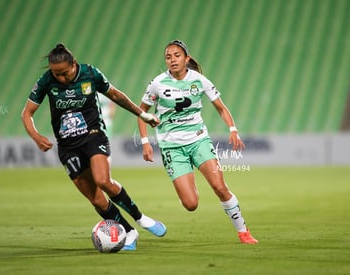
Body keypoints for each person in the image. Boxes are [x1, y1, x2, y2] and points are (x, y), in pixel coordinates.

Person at [21, 43, 166, 251]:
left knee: (102, 180)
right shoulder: (46, 81)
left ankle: (141, 219)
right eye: (56, 74)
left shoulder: (90, 74)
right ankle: (128, 231)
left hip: (92, 135)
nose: (60, 78)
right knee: (96, 199)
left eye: (63, 73)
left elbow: (116, 95)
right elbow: (27, 113)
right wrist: (35, 136)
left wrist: (143, 115)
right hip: (67, 146)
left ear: (74, 64)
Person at [137, 40, 258, 244]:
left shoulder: (199, 80)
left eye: (177, 55)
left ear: (187, 58)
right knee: (190, 204)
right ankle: (188, 184)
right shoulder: (157, 83)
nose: (173, 60)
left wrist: (233, 129)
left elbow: (221, 107)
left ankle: (243, 232)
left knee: (219, 187)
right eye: (168, 57)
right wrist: (145, 143)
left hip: (198, 140)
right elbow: (141, 113)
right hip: (172, 147)